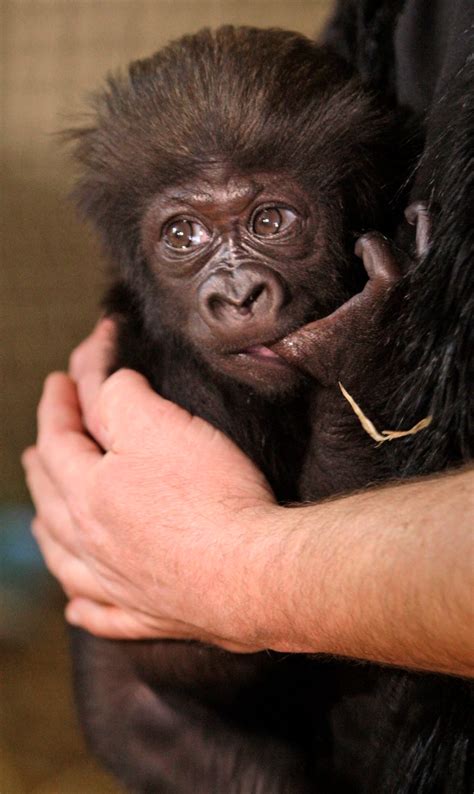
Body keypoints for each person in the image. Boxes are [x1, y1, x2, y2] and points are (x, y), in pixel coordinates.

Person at [22, 0, 474, 678]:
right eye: (184, 236)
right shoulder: (151, 377)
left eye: (270, 221)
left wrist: (238, 562)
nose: (236, 290)